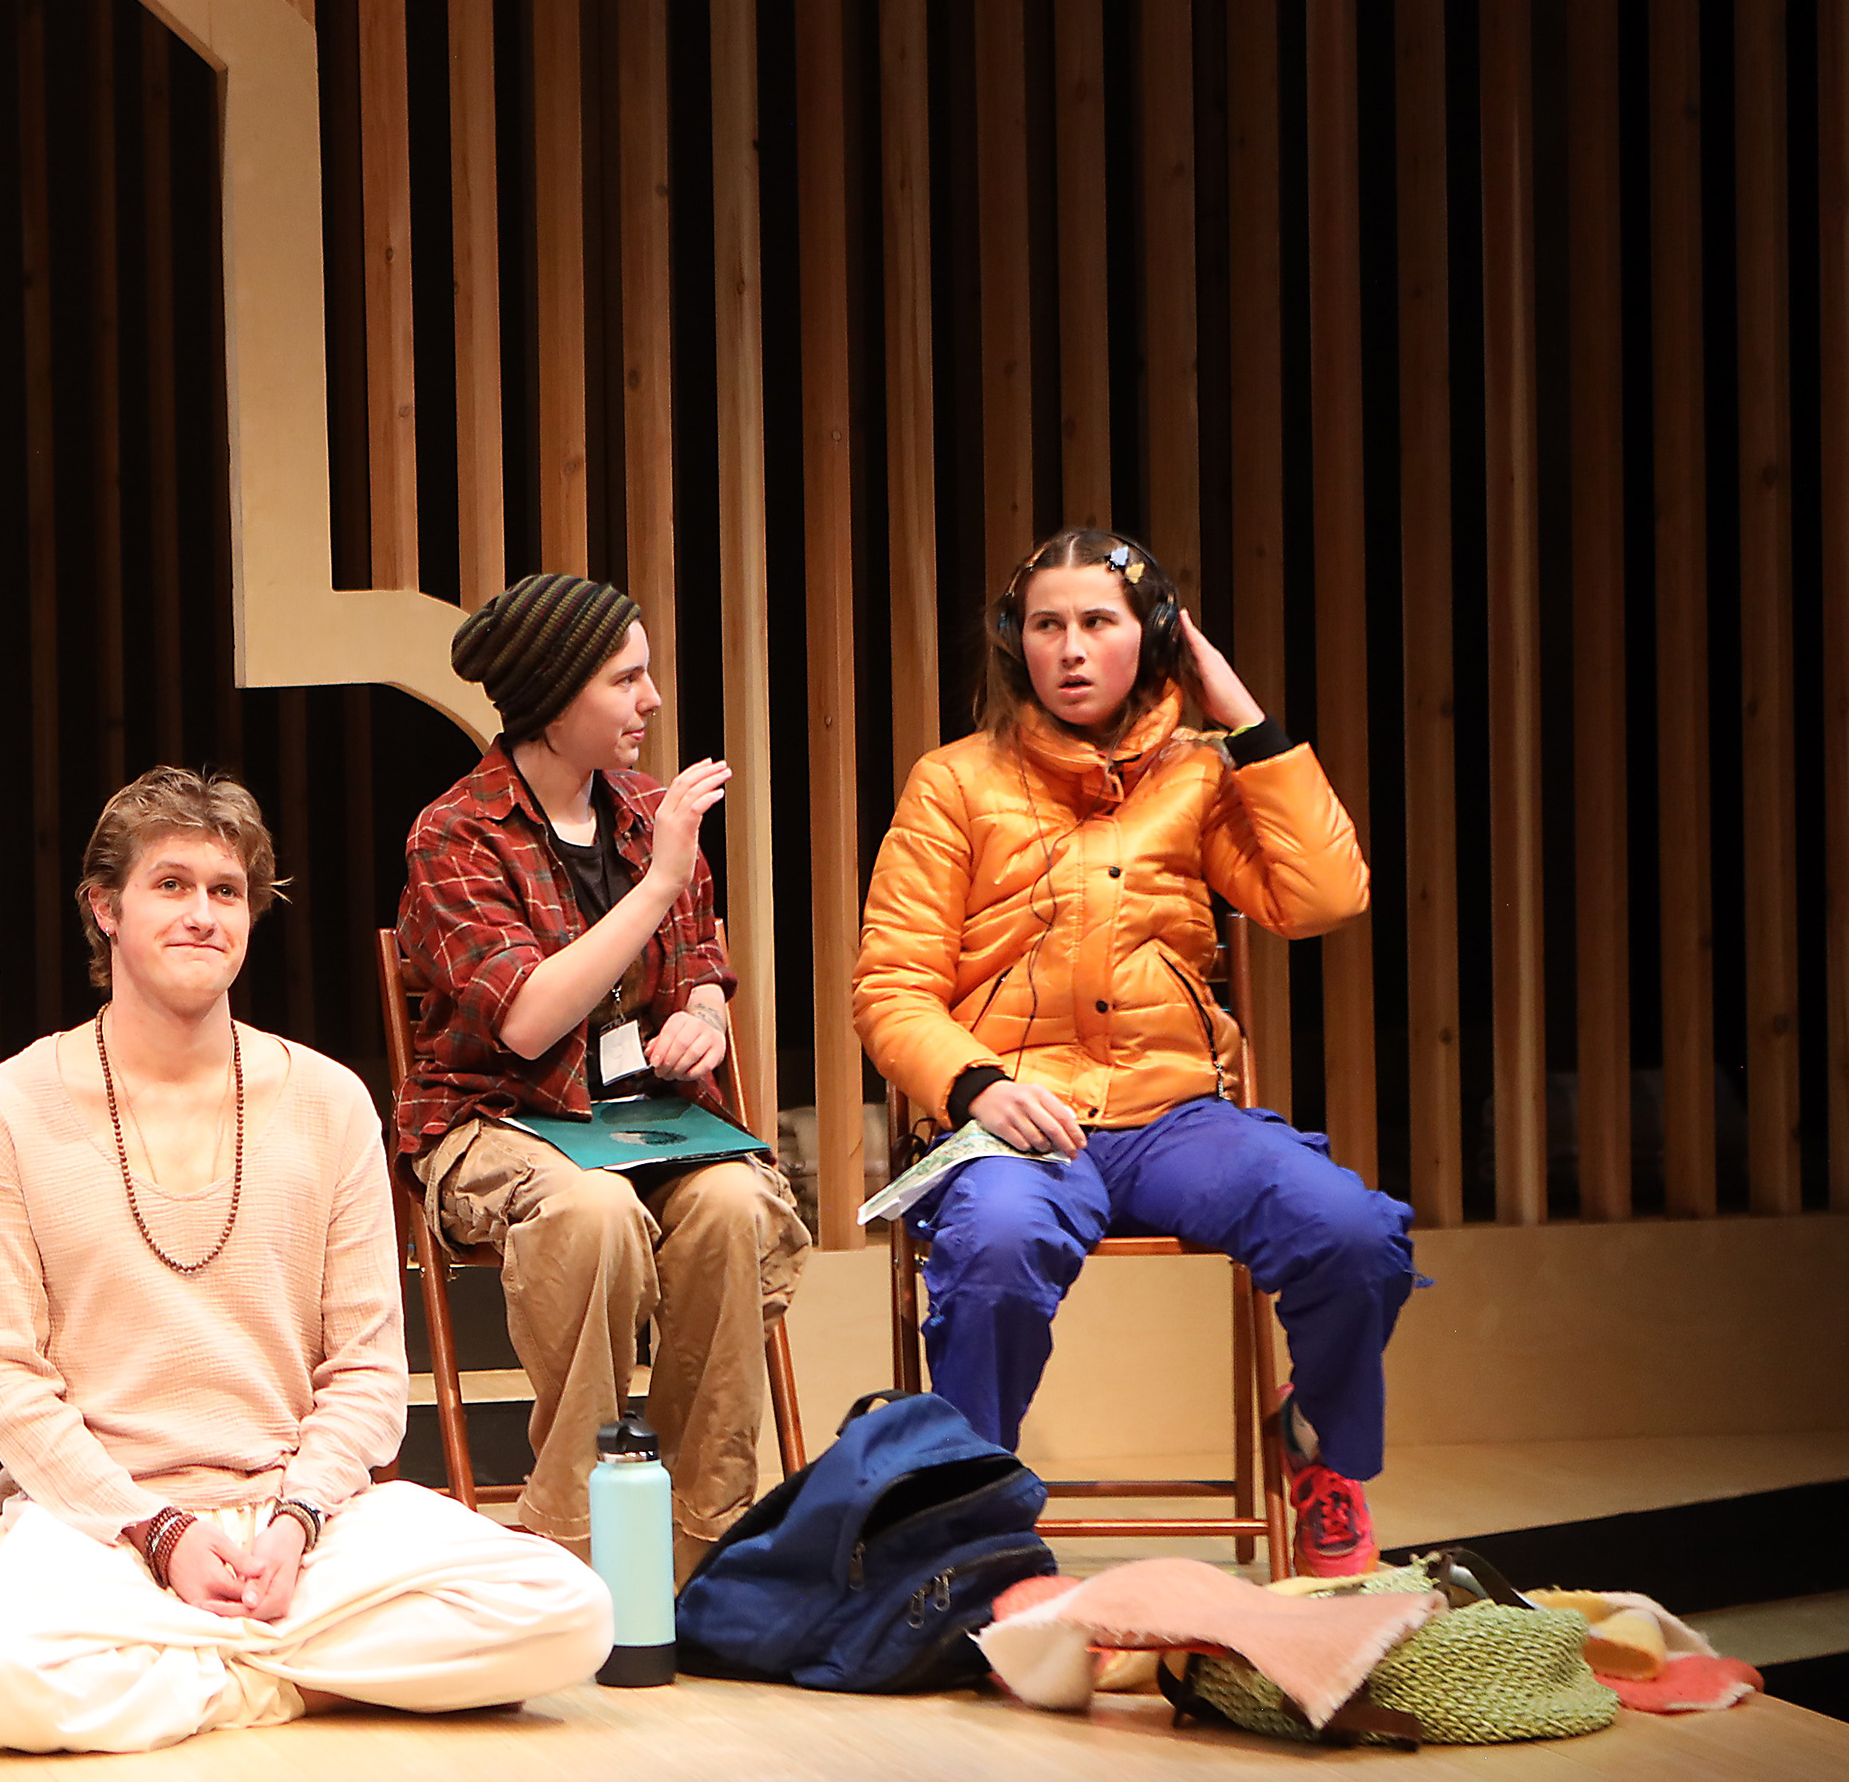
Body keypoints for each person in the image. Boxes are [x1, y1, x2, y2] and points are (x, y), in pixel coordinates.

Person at [0, 768, 611, 1754]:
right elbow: (5, 1382)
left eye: (226, 891)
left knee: (568, 1611)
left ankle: (206, 1674)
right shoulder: (2, 1113)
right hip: (100, 1521)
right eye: (172, 884)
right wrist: (159, 1531)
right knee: (6, 1681)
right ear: (105, 908)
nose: (203, 913)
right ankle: (308, 1675)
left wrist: (297, 1519)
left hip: (303, 1515)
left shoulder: (330, 1101)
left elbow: (369, 1370)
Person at [853, 528, 1415, 1574]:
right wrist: (975, 1086)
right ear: (1015, 642)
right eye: (1046, 625)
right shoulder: (953, 781)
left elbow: (1324, 898)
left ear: (1151, 637)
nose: (1070, 649)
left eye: (1097, 623)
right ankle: (971, 1520)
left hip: (1176, 1119)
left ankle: (1318, 1444)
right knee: (994, 1250)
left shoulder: (1199, 773)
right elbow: (891, 987)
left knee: (1349, 1231)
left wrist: (1244, 719)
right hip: (1019, 1117)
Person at [393, 574, 810, 1577]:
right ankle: (576, 1550)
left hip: (647, 1124)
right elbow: (529, 1018)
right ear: (553, 697)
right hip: (500, 1120)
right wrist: (659, 879)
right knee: (594, 1215)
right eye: (626, 680)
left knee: (733, 1210)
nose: (650, 700)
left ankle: (698, 1550)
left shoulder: (646, 814)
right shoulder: (456, 834)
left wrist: (703, 1022)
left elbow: (700, 966)